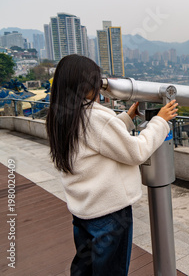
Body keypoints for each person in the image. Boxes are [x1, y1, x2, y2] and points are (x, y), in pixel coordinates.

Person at [46, 54, 178, 275]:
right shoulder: (96, 118)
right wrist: (160, 121)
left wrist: (127, 117)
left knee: (85, 269)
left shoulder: (61, 117)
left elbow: (97, 140)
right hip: (110, 213)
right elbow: (136, 151)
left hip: (83, 212)